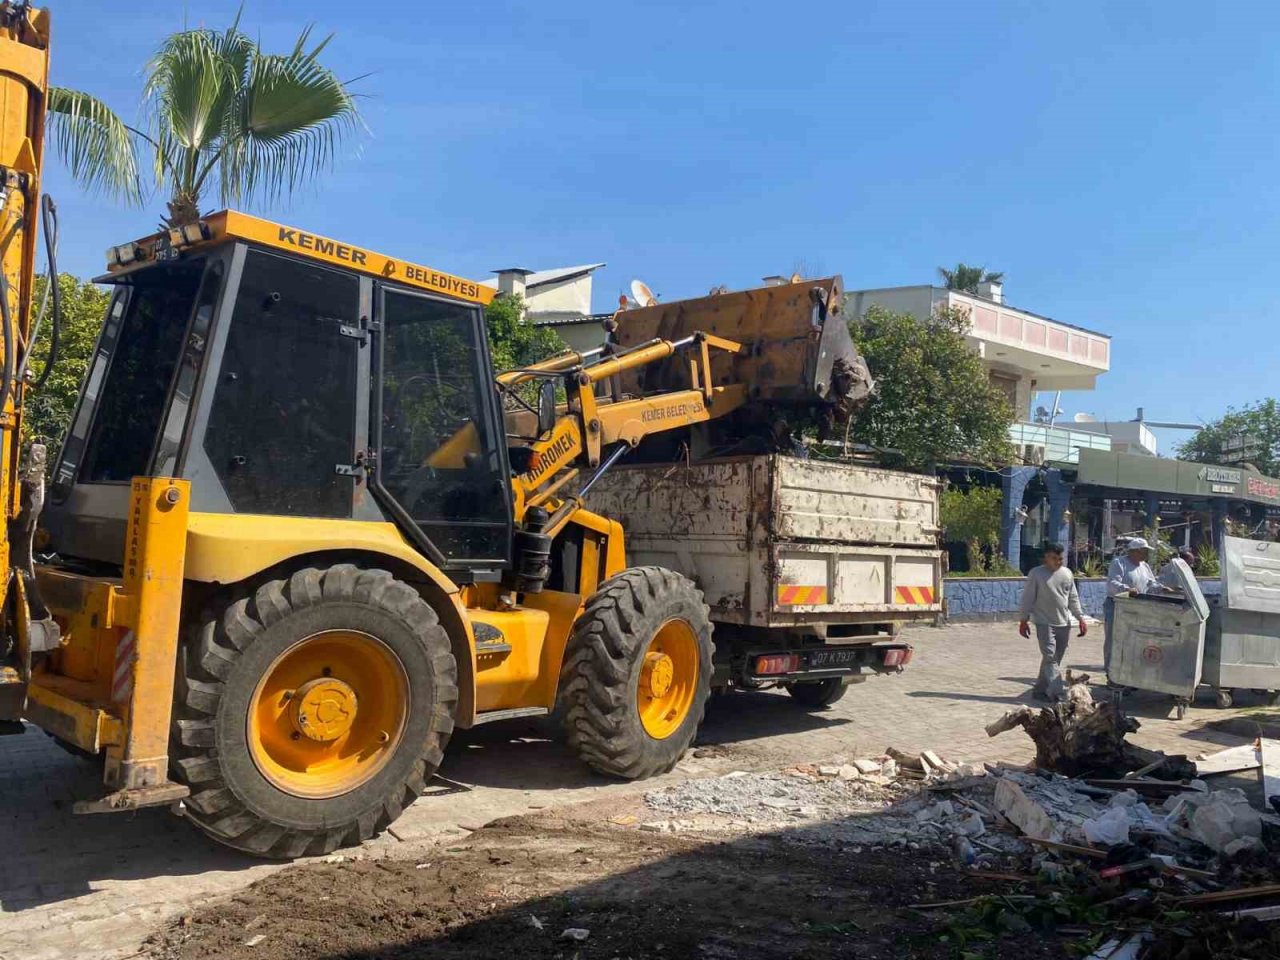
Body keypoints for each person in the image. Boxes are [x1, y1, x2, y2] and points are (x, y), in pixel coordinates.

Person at [1018, 543, 1087, 702]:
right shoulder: (1036, 574)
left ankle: (1040, 690)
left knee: (1054, 659)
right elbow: (1028, 598)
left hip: (1063, 623)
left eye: (1060, 558)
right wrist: (1024, 620)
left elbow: (1073, 598)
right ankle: (1059, 693)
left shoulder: (1067, 573)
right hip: (1044, 622)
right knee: (1050, 657)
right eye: (1054, 558)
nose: (1058, 561)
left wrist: (1080, 618)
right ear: (1046, 558)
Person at [1104, 537, 1156, 681]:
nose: (1146, 554)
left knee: (1133, 641)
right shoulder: (1119, 563)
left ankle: (1129, 675)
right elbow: (1112, 583)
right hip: (1117, 606)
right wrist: (1127, 589)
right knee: (1114, 640)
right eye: (1144, 551)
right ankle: (1112, 674)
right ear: (1135, 551)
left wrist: (1163, 588)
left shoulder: (1144, 566)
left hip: (1137, 607)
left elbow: (1151, 583)